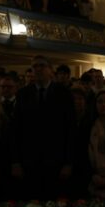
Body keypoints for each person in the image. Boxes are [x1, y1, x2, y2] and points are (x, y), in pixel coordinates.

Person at [11, 56, 75, 199]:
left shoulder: (63, 93)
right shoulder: (23, 94)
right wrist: (15, 161)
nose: (38, 69)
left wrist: (68, 162)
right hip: (29, 158)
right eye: (35, 67)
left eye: (41, 66)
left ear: (50, 70)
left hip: (56, 158)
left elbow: (70, 129)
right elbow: (17, 129)